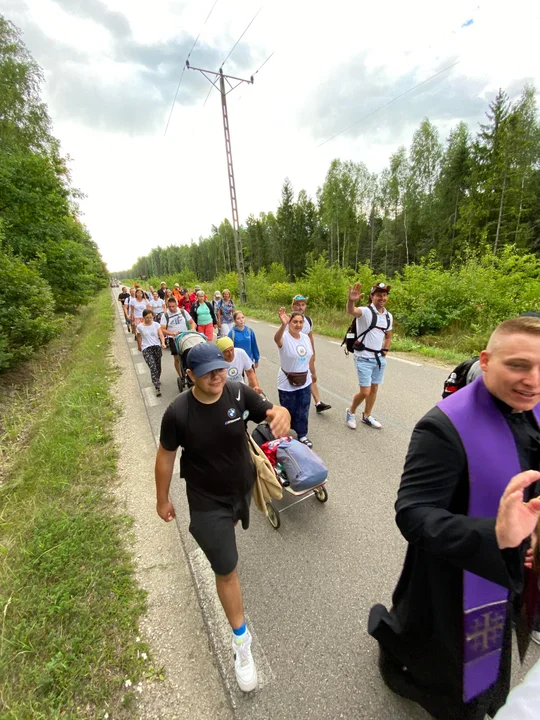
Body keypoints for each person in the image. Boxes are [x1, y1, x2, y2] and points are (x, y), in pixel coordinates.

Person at [368, 316, 540, 720]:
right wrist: (494, 534)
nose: (532, 380)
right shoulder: (443, 427)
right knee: (447, 650)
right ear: (485, 360)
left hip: (514, 560)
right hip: (455, 568)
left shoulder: (532, 407)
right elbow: (412, 513)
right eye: (517, 364)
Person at [155, 343, 290, 692]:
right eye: (207, 371)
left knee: (229, 534)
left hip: (240, 489)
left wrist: (280, 414)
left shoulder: (236, 392)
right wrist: (161, 499)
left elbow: (269, 411)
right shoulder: (178, 413)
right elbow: (166, 457)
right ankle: (241, 644)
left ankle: (225, 531)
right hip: (205, 499)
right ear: (190, 376)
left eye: (220, 367)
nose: (217, 375)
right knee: (227, 568)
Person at [345, 282, 393, 430]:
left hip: (378, 359)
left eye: (384, 295)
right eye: (379, 295)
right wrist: (351, 301)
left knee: (374, 389)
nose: (382, 298)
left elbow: (389, 336)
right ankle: (351, 411)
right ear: (372, 296)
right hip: (363, 357)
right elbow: (351, 311)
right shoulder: (365, 311)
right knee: (365, 391)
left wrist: (384, 352)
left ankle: (367, 415)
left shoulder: (388, 316)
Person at [274, 307, 314, 448]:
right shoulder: (284, 337)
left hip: (305, 379)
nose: (298, 325)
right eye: (295, 322)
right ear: (290, 323)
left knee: (303, 408)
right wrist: (283, 324)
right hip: (287, 381)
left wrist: (312, 372)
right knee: (288, 410)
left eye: (300, 322)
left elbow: (309, 356)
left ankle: (302, 434)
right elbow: (276, 339)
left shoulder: (305, 337)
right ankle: (285, 435)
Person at [289, 295, 331, 414]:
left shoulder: (307, 320)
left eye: (303, 305)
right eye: (297, 304)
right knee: (297, 380)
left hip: (306, 354)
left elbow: (310, 337)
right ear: (293, 306)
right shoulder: (289, 320)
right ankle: (295, 405)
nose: (300, 307)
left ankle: (318, 402)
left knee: (311, 376)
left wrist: (313, 354)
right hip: (294, 356)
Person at [160, 297, 196, 376]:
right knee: (177, 358)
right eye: (169, 307)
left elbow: (192, 322)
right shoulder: (165, 315)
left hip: (185, 336)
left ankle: (191, 372)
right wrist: (171, 333)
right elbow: (162, 329)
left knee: (188, 354)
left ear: (176, 305)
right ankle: (180, 375)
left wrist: (193, 329)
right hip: (173, 338)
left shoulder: (182, 312)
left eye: (173, 306)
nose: (171, 308)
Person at [136, 309, 167, 396]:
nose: (149, 319)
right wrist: (139, 345)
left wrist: (163, 343)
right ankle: (157, 386)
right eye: (147, 318)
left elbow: (161, 335)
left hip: (156, 347)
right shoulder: (140, 327)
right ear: (144, 318)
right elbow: (138, 336)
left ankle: (157, 378)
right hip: (146, 348)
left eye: (151, 317)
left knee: (158, 367)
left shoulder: (156, 325)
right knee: (152, 366)